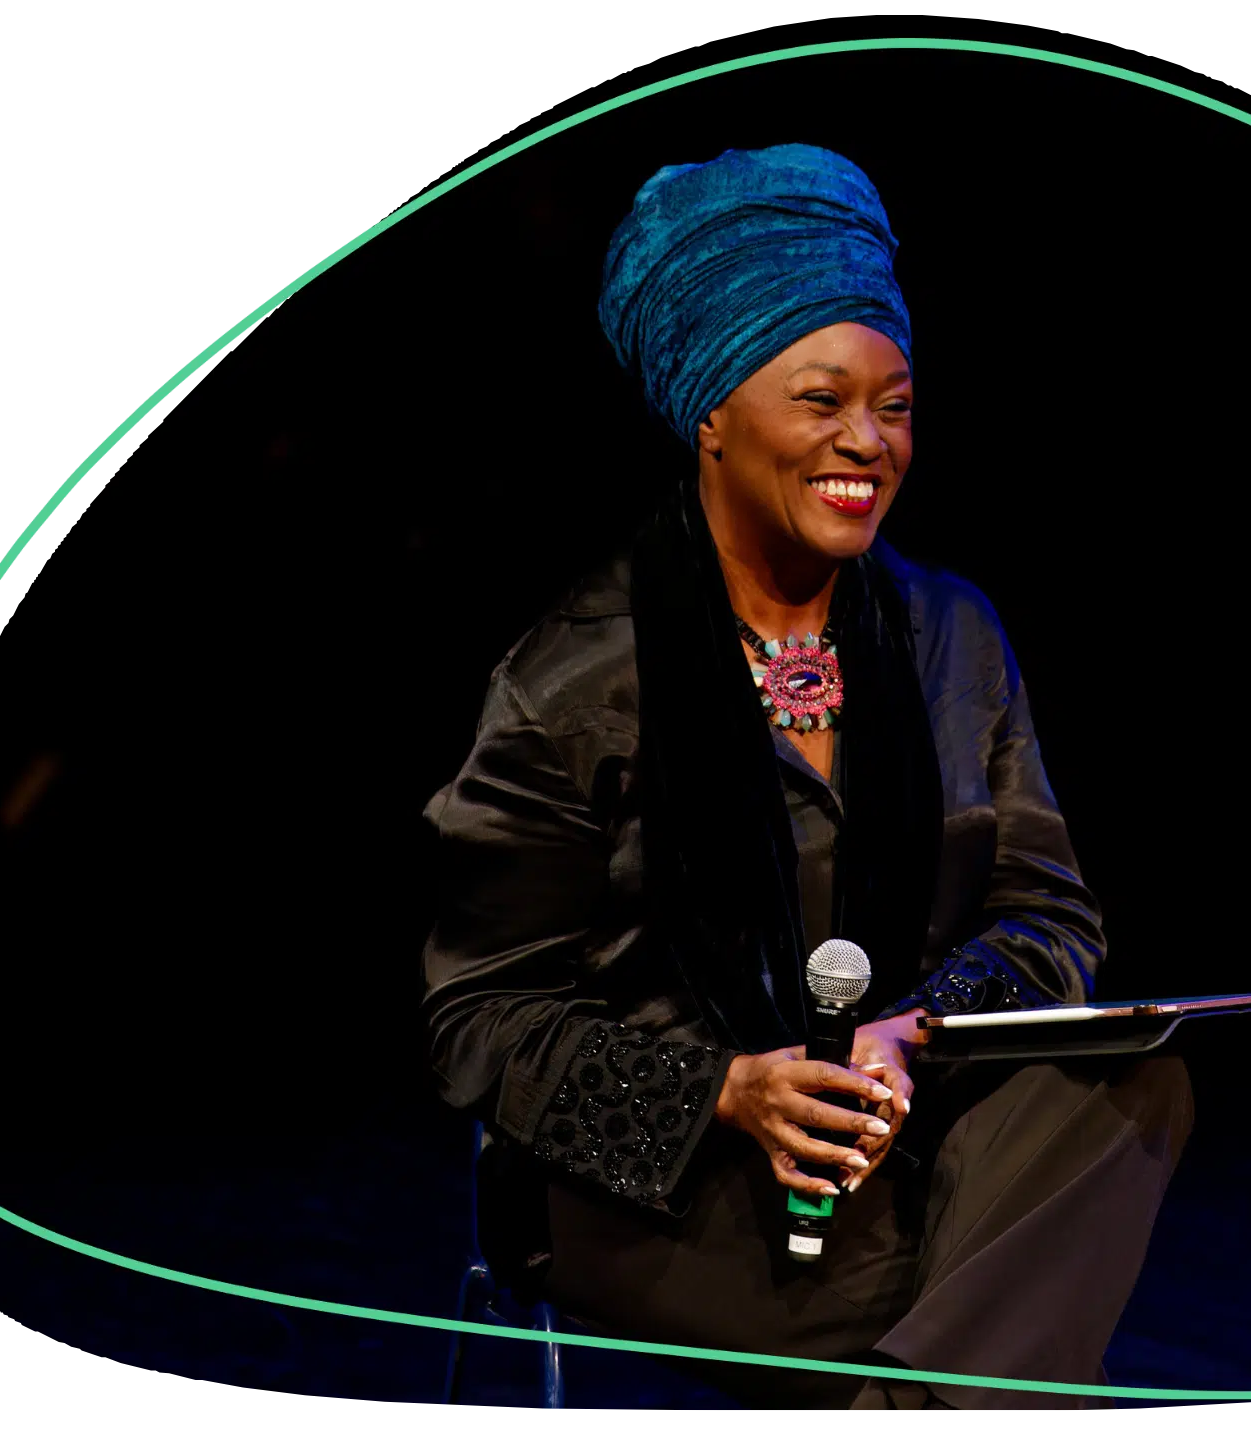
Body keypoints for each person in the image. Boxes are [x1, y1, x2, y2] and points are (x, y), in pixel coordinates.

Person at [420, 143, 1192, 1416]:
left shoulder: (952, 636)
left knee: (1129, 1082)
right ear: (710, 413)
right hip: (662, 1173)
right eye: (820, 400)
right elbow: (477, 1020)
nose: (867, 443)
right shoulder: (570, 686)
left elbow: (1048, 917)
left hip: (912, 1127)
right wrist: (732, 1091)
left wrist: (908, 1036)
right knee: (1007, 1320)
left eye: (894, 406)